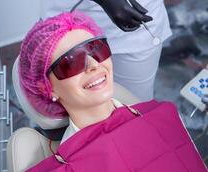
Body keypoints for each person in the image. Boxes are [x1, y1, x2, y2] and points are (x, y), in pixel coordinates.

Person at [18, 11, 208, 172]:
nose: (93, 64)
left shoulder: (164, 117)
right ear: (47, 87)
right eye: (71, 62)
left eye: (97, 49)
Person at [40, 0, 172, 101]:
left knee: (135, 106)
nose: (93, 66)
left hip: (135, 28)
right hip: (67, 23)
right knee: (69, 103)